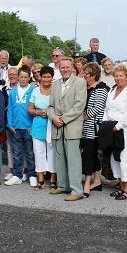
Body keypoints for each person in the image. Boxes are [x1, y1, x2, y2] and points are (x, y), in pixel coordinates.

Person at [47, 57, 87, 201]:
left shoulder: (80, 82)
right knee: (59, 158)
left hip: (72, 126)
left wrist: (62, 119)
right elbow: (50, 106)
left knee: (73, 159)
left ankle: (77, 190)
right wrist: (53, 118)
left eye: (67, 67)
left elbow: (79, 106)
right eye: (62, 67)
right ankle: (63, 186)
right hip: (57, 126)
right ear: (59, 69)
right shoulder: (55, 84)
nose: (65, 69)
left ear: (72, 68)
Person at [103, 63, 127, 200]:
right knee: (114, 159)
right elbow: (107, 110)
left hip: (125, 130)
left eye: (121, 76)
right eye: (116, 76)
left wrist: (116, 127)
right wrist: (105, 125)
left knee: (124, 159)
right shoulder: (112, 90)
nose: (118, 78)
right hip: (111, 129)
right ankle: (121, 186)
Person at [81, 62, 109, 197]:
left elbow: (98, 107)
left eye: (86, 74)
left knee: (88, 154)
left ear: (93, 75)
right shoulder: (85, 88)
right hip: (84, 127)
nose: (84, 76)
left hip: (93, 127)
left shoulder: (101, 89)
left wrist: (82, 117)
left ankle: (87, 182)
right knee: (90, 154)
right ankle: (97, 180)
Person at [5, 67, 36, 186]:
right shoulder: (13, 91)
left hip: (28, 127)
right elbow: (10, 109)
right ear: (18, 77)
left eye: (25, 77)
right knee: (17, 153)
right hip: (16, 127)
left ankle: (32, 175)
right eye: (21, 77)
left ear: (29, 78)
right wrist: (10, 123)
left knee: (29, 152)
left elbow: (35, 109)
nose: (23, 79)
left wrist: (32, 125)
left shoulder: (33, 90)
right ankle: (17, 175)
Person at [27, 66, 57, 190]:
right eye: (44, 76)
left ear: (52, 78)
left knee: (52, 152)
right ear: (40, 78)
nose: (46, 79)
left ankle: (53, 180)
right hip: (38, 123)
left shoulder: (56, 90)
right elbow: (29, 109)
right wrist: (39, 113)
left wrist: (50, 113)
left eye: (48, 77)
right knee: (38, 152)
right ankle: (40, 179)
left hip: (52, 124)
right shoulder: (35, 91)